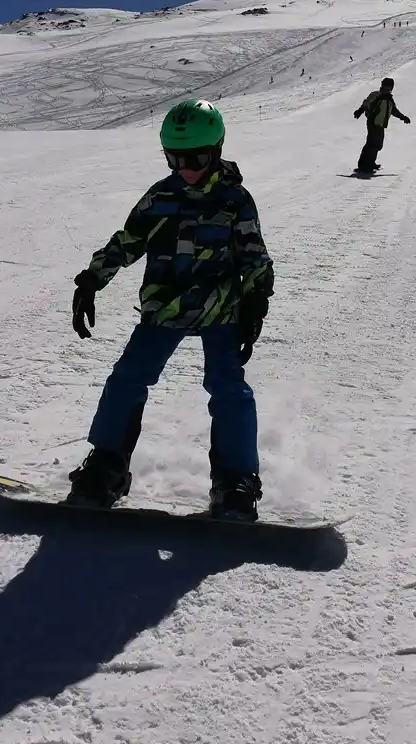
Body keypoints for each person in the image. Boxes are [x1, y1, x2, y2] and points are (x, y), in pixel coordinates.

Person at [66, 98, 275, 521]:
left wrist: (256, 301)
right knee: (127, 379)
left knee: (228, 388)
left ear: (216, 150)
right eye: (175, 158)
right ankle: (106, 465)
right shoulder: (161, 196)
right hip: (164, 308)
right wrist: (91, 279)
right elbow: (128, 241)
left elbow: (254, 255)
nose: (186, 168)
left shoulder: (234, 199)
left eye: (195, 158)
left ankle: (235, 480)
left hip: (220, 309)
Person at [353, 77, 411, 173]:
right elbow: (366, 103)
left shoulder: (389, 99)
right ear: (382, 86)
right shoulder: (376, 95)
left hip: (381, 124)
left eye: (389, 87)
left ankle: (371, 162)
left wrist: (403, 117)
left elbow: (394, 111)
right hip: (373, 122)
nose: (387, 88)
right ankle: (363, 165)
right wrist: (360, 110)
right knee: (372, 143)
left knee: (378, 144)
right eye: (386, 86)